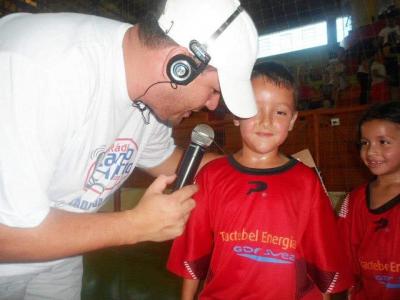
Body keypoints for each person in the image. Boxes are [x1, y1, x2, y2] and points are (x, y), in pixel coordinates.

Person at [0, 0, 259, 298]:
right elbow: (6, 235)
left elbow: (168, 161)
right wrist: (135, 225)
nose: (213, 105)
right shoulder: (44, 73)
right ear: (179, 67)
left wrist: (258, 172)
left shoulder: (150, 93)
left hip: (59, 255)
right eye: (214, 90)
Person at [167, 62, 351, 299]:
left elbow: (321, 259)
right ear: (236, 113)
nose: (266, 121)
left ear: (293, 120)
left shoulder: (307, 182)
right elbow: (194, 249)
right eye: (255, 109)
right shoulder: (211, 176)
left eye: (280, 112)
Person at [338, 101, 400, 300]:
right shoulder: (354, 200)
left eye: (383, 142)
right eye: (365, 143)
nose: (371, 151)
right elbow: (343, 255)